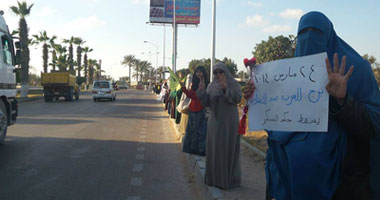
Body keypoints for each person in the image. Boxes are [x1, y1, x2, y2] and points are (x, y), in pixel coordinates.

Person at [243, 11, 380, 200]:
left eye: (317, 33)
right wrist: (256, 96)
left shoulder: (355, 70)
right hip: (286, 178)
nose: (310, 40)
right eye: (304, 35)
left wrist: (343, 99)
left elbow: (375, 122)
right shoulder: (288, 73)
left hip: (342, 184)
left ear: (330, 36)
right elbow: (275, 122)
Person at [197, 62, 242, 189]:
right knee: (215, 148)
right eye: (215, 72)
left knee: (228, 147)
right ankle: (214, 179)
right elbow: (207, 103)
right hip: (215, 122)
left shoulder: (233, 83)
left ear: (225, 72)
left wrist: (225, 89)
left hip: (229, 122)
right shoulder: (211, 86)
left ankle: (228, 180)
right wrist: (201, 92)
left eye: (220, 72)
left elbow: (237, 98)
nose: (218, 75)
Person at [181, 66, 209, 156]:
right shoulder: (194, 83)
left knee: (201, 132)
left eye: (201, 72)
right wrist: (184, 89)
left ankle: (201, 150)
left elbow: (196, 95)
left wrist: (184, 90)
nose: (199, 74)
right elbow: (192, 95)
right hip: (193, 109)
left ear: (204, 73)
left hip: (201, 109)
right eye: (197, 72)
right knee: (192, 131)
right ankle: (192, 149)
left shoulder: (207, 83)